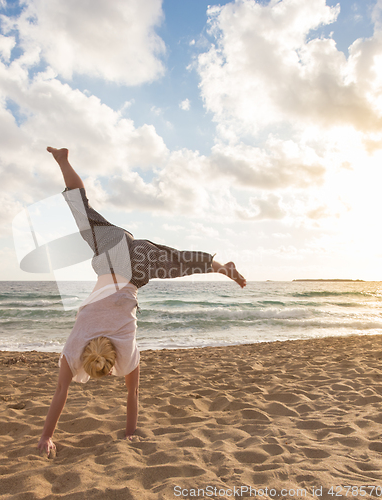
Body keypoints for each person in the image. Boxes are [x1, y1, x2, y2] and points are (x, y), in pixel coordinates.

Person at [37, 147, 246, 457]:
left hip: (138, 266)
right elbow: (60, 392)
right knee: (81, 211)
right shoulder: (75, 347)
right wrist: (45, 437)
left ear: (109, 368)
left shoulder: (125, 350)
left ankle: (220, 267)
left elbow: (133, 394)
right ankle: (63, 160)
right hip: (114, 249)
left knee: (179, 263)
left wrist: (131, 433)